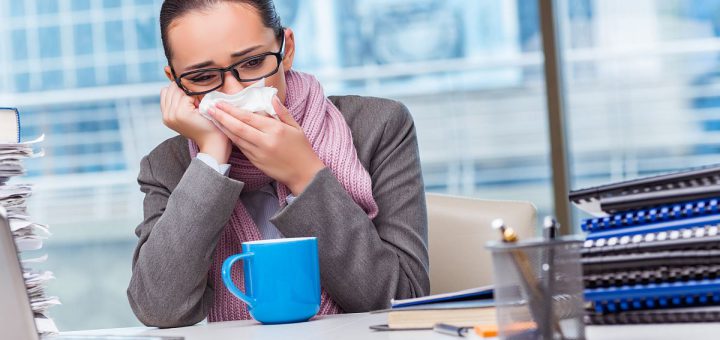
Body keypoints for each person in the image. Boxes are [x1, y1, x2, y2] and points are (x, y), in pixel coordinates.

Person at [127, 0, 429, 328]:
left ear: (286, 51)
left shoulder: (378, 127)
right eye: (203, 76)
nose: (233, 91)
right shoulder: (168, 166)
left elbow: (403, 299)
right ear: (176, 83)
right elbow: (158, 308)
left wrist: (304, 174)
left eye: (254, 62)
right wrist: (211, 158)